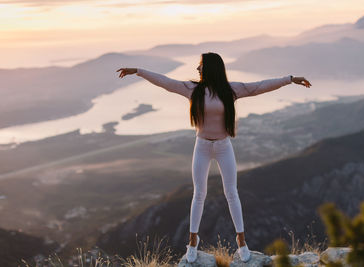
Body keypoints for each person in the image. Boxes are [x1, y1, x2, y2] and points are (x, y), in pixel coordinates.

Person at [116, 52, 311, 263]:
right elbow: (166, 82)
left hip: (224, 146)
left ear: (210, 68)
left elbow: (260, 86)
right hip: (201, 146)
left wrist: (290, 79)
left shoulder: (231, 90)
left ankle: (242, 242)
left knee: (231, 193)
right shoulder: (192, 90)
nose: (197, 69)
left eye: (200, 66)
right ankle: (192, 242)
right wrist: (138, 71)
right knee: (199, 194)